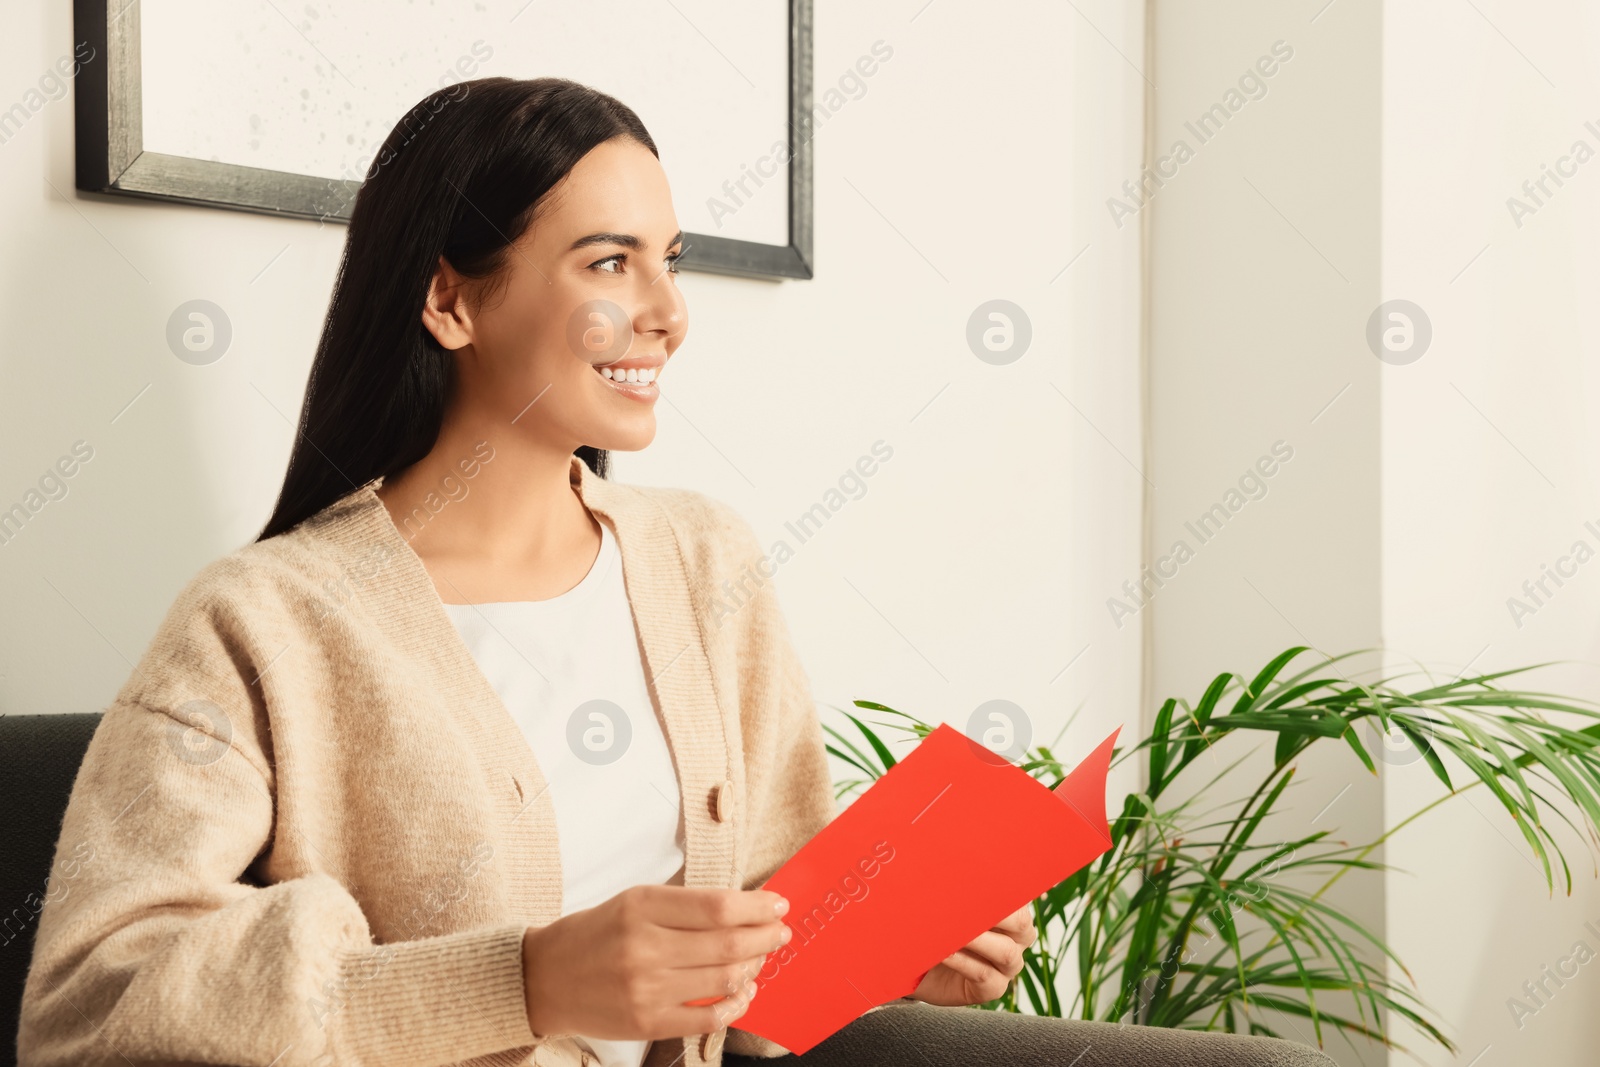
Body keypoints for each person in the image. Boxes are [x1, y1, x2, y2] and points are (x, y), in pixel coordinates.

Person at [15, 77, 1049, 1067]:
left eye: (670, 260)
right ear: (450, 299)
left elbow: (756, 969)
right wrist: (522, 980)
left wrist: (883, 957)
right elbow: (91, 1001)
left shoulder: (705, 562)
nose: (667, 312)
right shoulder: (265, 619)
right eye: (608, 263)